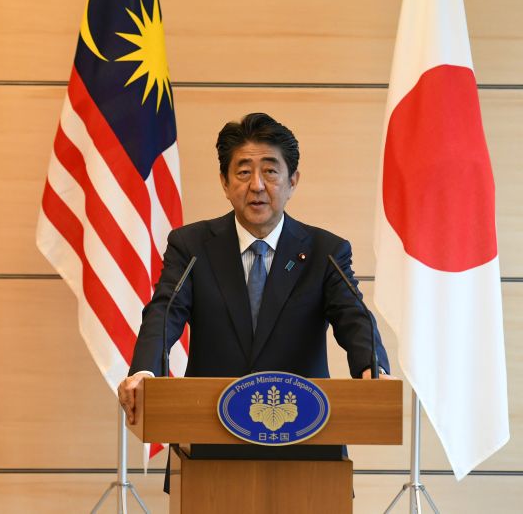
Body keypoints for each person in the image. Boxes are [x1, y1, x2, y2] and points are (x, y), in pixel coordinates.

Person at [118, 113, 391, 444]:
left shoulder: (324, 251)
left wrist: (371, 370)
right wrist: (145, 371)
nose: (257, 185)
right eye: (244, 172)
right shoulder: (192, 247)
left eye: (271, 171)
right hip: (207, 440)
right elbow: (165, 311)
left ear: (293, 181)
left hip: (305, 439)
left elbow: (353, 317)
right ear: (224, 181)